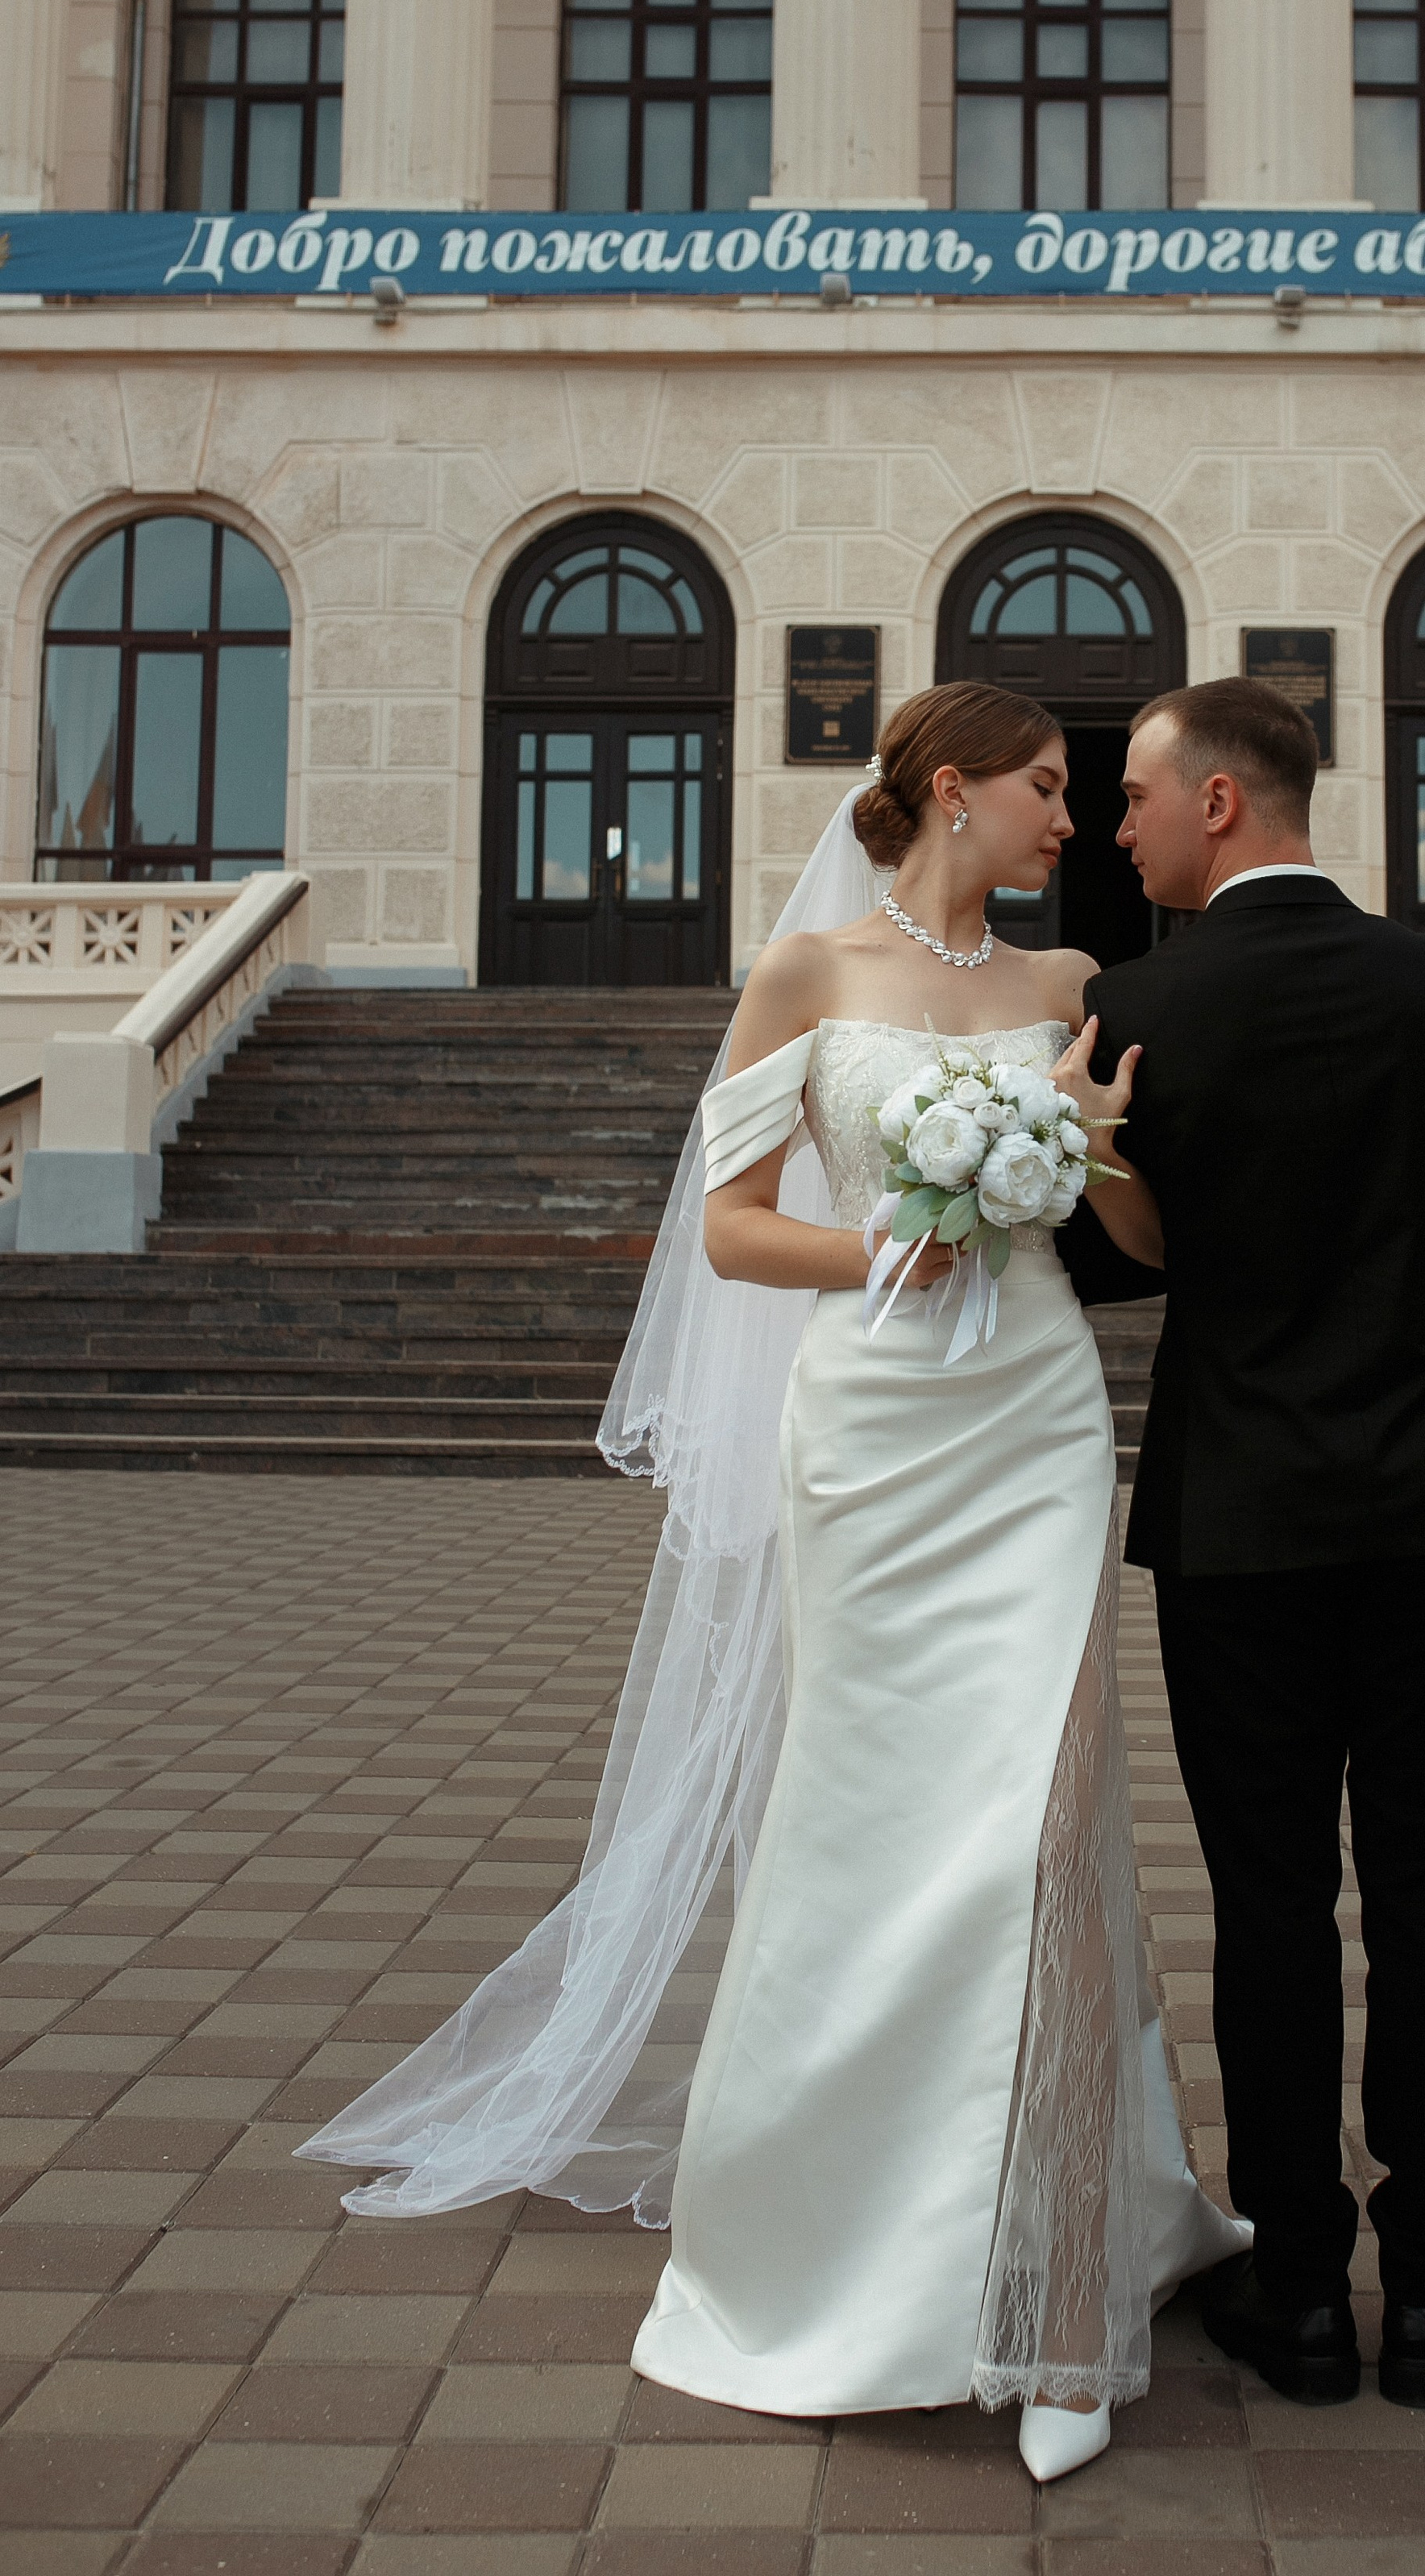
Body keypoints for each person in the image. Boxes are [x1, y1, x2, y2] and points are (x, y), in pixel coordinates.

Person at [300, 682, 1242, 2484]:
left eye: (1081, 795)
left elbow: (1140, 1240)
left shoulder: (1067, 992)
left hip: (1032, 1418)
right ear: (950, 793)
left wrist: (1089, 1143)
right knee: (865, 1812)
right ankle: (828, 2241)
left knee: (1046, 1822)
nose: (1073, 822)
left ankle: (1059, 2286)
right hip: (875, 1423)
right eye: (1049, 791)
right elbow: (730, 1228)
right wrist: (890, 1233)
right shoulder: (804, 977)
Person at [1058, 676, 1425, 2411]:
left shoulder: (1140, 1004)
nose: (1110, 830)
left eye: (1128, 796)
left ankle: (1296, 2294)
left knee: (1267, 1904)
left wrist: (1094, 1149)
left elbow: (1115, 1274)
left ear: (1213, 805)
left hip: (1239, 1525)